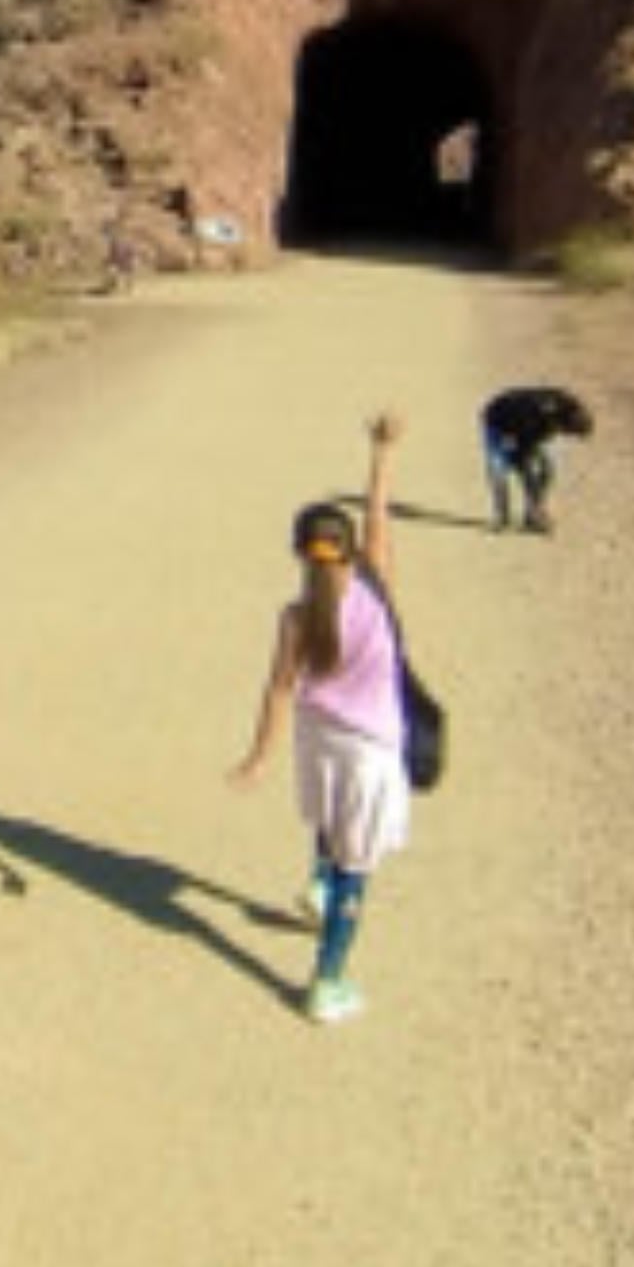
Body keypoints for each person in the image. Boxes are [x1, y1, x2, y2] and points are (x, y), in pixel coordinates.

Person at [228, 411, 410, 1023]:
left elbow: (279, 689)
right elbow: (378, 517)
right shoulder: (376, 586)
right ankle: (326, 983)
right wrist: (382, 451)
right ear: (352, 549)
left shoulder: (295, 617)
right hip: (370, 749)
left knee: (330, 823)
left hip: (318, 738)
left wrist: (259, 757)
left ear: (298, 555)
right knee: (358, 867)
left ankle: (318, 882)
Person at [480, 385, 592, 534]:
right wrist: (524, 471)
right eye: (568, 433)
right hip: (497, 421)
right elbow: (523, 458)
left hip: (526, 425)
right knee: (498, 470)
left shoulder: (568, 405)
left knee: (548, 469)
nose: (564, 436)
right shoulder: (536, 417)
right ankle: (503, 517)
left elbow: (534, 446)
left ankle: (531, 515)